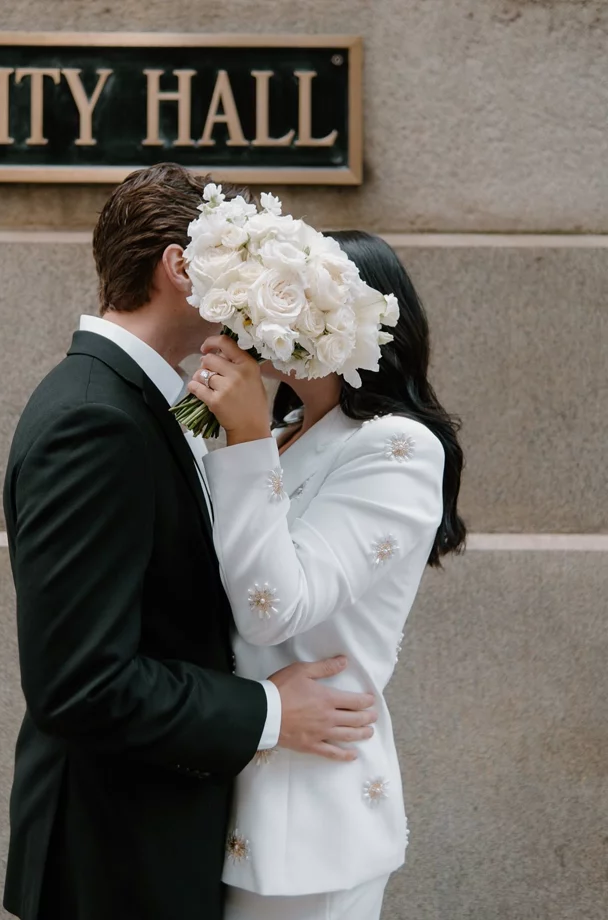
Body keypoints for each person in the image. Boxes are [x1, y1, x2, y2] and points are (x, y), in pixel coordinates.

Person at [1, 167, 379, 920]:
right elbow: (79, 682)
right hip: (112, 856)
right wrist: (267, 712)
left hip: (148, 837)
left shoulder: (138, 402)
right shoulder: (95, 421)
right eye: (250, 259)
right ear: (181, 266)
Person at [187, 230, 467, 920]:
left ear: (352, 323)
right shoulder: (278, 431)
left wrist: (246, 440)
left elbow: (273, 609)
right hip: (219, 782)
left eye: (298, 300)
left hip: (305, 812)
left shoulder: (397, 447)